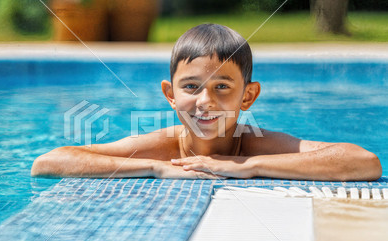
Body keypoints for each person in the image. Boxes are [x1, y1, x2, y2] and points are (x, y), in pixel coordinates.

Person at [31, 24, 382, 181]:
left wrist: (249, 166)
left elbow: (364, 162)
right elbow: (48, 162)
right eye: (191, 87)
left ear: (248, 96)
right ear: (171, 95)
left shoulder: (258, 144)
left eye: (223, 87)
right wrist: (155, 168)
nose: (205, 101)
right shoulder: (161, 148)